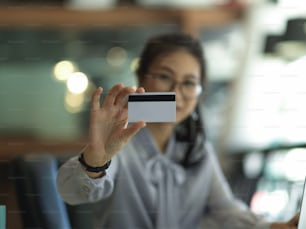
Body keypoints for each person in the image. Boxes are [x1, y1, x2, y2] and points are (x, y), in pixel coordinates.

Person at [57, 33, 299, 229]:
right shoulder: (119, 142)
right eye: (165, 77)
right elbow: (72, 192)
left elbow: (224, 209)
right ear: (141, 77)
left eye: (189, 83)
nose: (176, 92)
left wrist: (275, 227)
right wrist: (97, 160)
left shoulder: (197, 148)